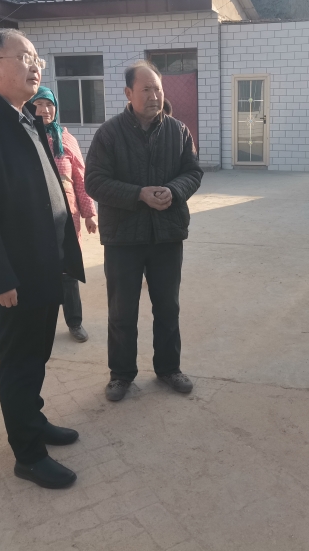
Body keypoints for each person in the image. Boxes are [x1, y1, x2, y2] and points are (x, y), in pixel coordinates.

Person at [0, 29, 86, 490]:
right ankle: (28, 455)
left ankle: (34, 420)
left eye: (37, 58)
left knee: (38, 354)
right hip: (16, 276)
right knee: (20, 362)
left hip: (44, 263)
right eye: (24, 57)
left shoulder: (25, 117)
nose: (35, 66)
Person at [85, 60, 203, 402]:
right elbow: (94, 181)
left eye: (158, 89)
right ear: (128, 93)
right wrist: (138, 194)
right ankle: (121, 374)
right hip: (123, 237)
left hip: (167, 235)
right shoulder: (109, 133)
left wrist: (174, 191)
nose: (154, 96)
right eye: (146, 89)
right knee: (122, 310)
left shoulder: (178, 131)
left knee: (167, 307)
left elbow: (193, 172)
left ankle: (169, 368)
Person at [30, 86, 97, 343]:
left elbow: (80, 179)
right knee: (39, 271)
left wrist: (89, 213)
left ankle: (74, 322)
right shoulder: (25, 138)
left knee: (68, 271)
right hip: (36, 217)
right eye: (38, 105)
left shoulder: (67, 140)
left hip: (68, 216)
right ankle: (39, 325)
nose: (45, 110)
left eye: (49, 104)